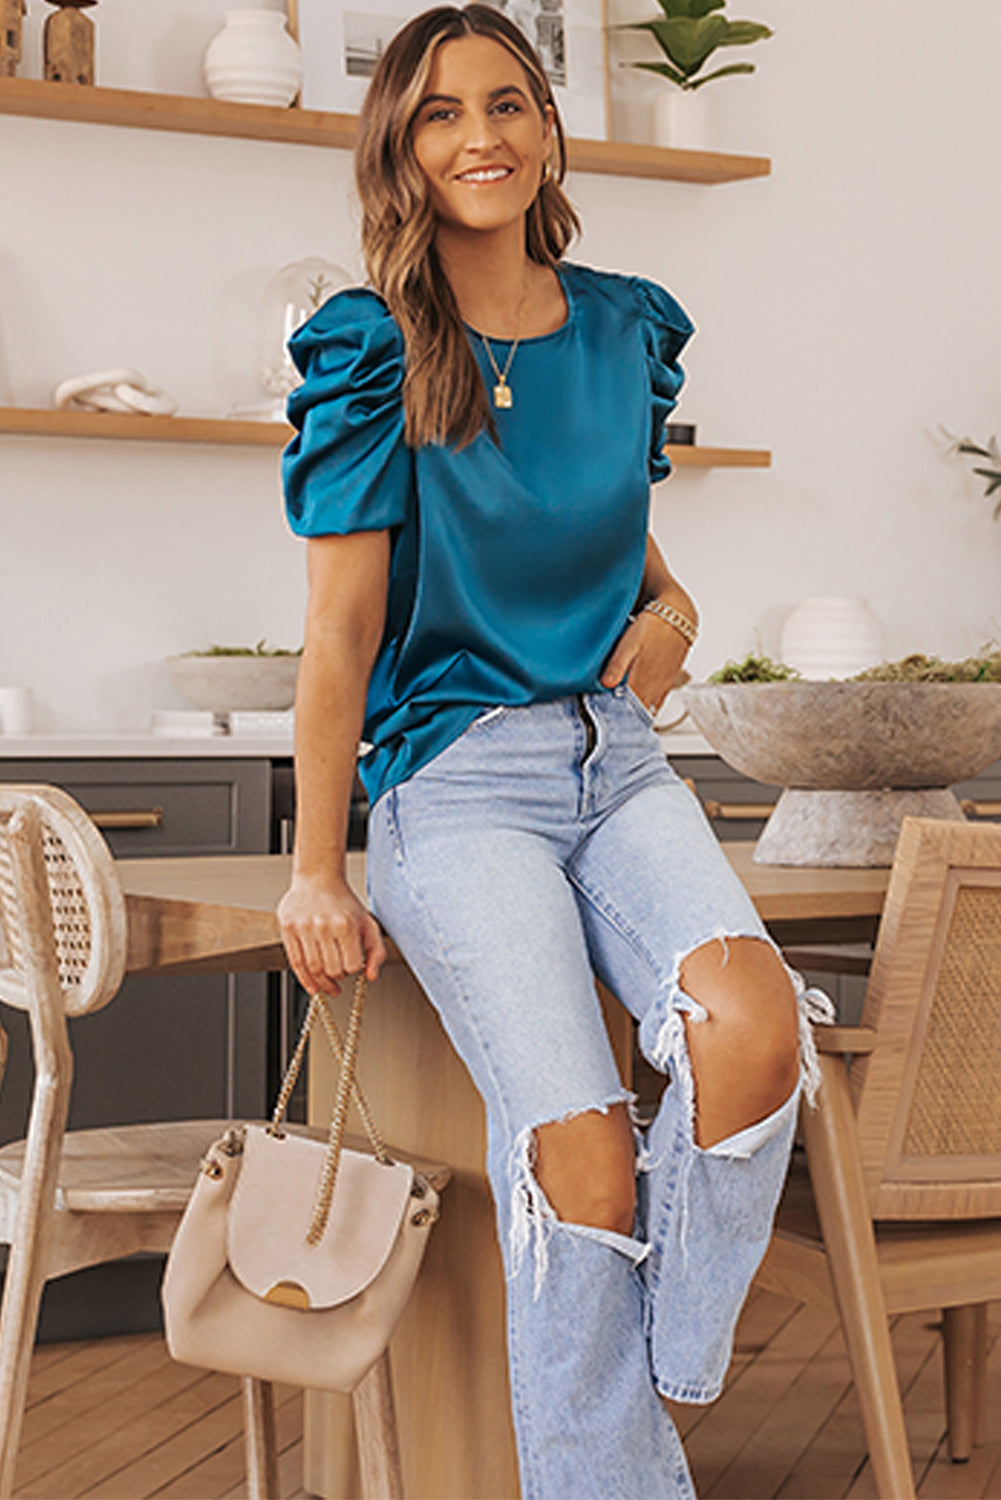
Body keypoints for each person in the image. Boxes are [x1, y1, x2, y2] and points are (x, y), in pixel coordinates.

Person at [278, 7, 831, 1495]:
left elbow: (650, 581)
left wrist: (675, 624)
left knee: (751, 1026)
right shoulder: (367, 350)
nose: (482, 136)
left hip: (615, 763)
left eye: (509, 103)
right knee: (578, 1156)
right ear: (400, 143)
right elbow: (336, 642)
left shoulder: (618, 329)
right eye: (444, 112)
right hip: (456, 789)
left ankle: (653, 1361)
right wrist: (315, 869)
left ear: (548, 129)